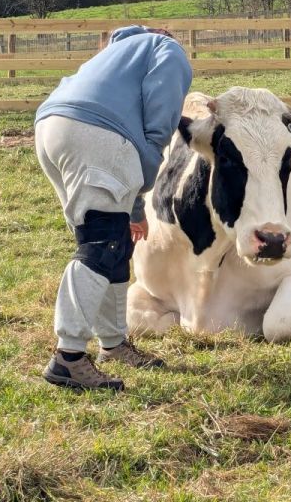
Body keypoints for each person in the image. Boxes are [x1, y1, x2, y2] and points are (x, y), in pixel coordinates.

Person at [34, 25, 192, 391]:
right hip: (96, 133)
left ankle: (113, 344)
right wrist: (148, 179)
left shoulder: (116, 53)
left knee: (114, 240)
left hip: (53, 126)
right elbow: (160, 119)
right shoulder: (167, 48)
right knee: (102, 245)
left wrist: (132, 210)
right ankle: (68, 357)